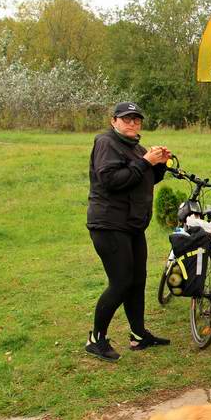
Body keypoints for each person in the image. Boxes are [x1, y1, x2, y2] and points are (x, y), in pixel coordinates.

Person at [85, 101, 172, 361]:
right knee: (121, 282)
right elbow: (111, 181)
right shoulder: (105, 143)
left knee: (137, 280)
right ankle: (95, 339)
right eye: (126, 119)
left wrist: (159, 164)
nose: (132, 123)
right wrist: (145, 161)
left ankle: (138, 335)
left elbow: (145, 178)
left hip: (132, 225)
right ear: (114, 121)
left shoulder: (136, 147)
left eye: (136, 119)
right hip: (109, 224)